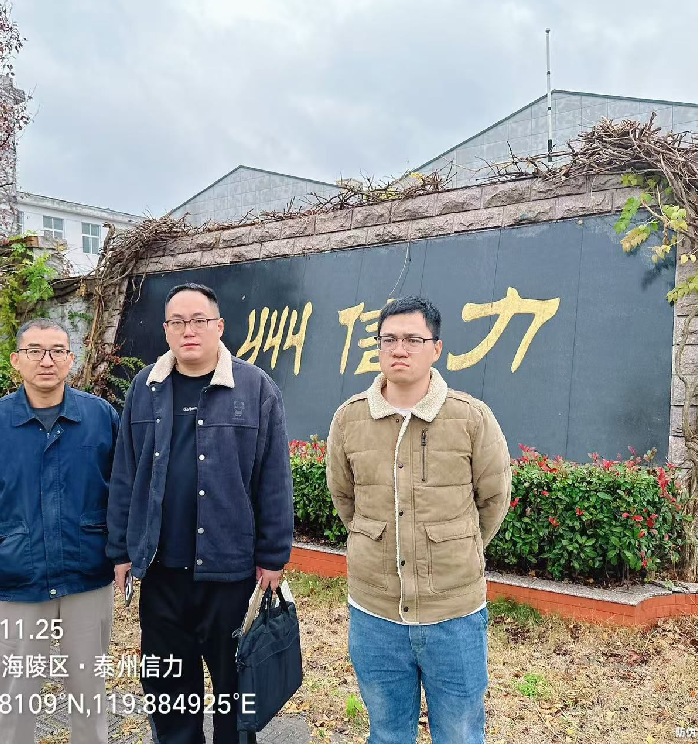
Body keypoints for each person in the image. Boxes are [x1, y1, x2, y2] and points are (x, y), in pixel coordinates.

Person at [107, 282, 294, 744]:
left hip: (230, 573)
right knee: (169, 689)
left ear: (219, 326)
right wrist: (121, 550)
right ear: (166, 329)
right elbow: (126, 471)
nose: (188, 330)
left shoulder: (255, 388)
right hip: (161, 570)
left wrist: (273, 556)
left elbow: (274, 477)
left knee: (236, 689)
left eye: (198, 321)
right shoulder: (145, 387)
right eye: (177, 322)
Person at [326, 295, 512, 744]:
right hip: (375, 613)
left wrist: (455, 547)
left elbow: (493, 499)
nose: (399, 349)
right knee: (387, 732)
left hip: (454, 613)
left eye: (413, 339)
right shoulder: (350, 419)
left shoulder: (470, 418)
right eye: (388, 339)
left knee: (461, 733)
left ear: (436, 348)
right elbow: (344, 498)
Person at [0, 318, 120, 744]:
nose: (46, 360)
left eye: (57, 351)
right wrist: (13, 536)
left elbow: (120, 488)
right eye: (35, 351)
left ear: (71, 359)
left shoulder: (100, 417)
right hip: (17, 576)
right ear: (17, 360)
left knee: (89, 692)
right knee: (12, 694)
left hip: (86, 572)